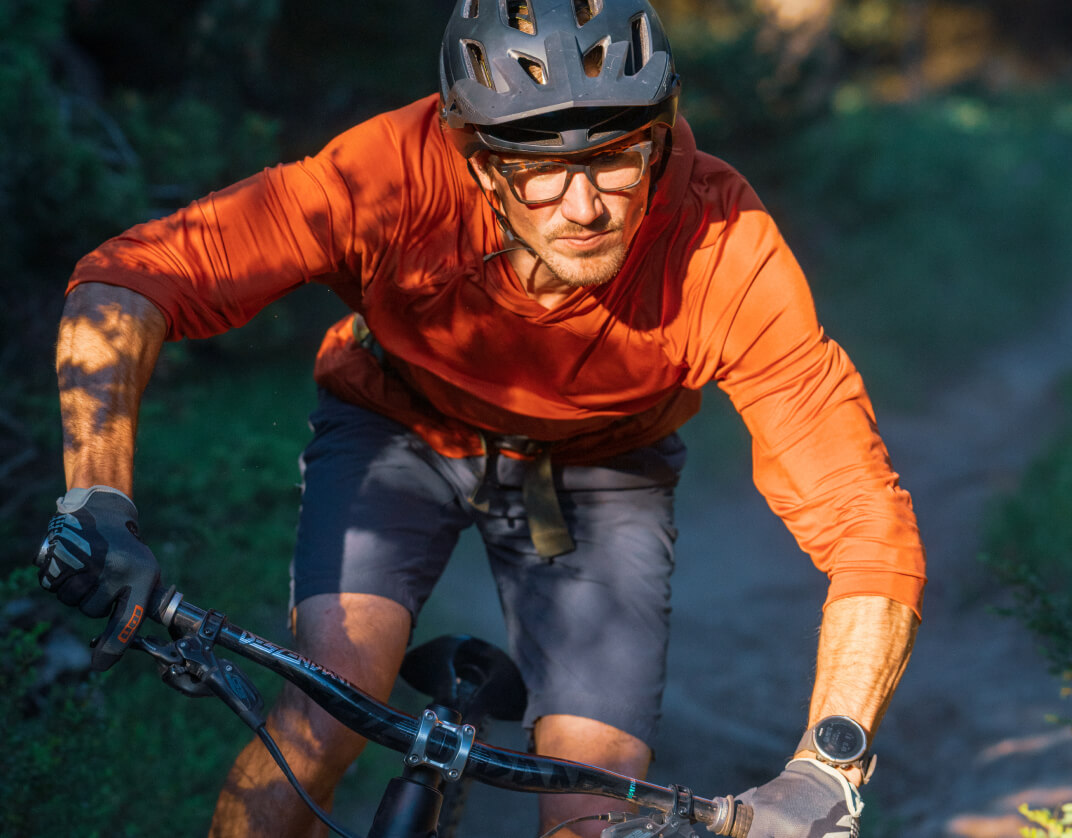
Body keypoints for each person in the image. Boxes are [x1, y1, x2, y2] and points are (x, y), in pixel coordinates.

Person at [35, 1, 926, 836]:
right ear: (480, 161)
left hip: (599, 467)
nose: (583, 208)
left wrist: (827, 764)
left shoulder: (721, 240)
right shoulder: (393, 169)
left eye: (616, 157)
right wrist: (97, 503)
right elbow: (129, 280)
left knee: (593, 793)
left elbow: (864, 519)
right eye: (541, 170)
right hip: (399, 425)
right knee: (325, 708)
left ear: (659, 139)